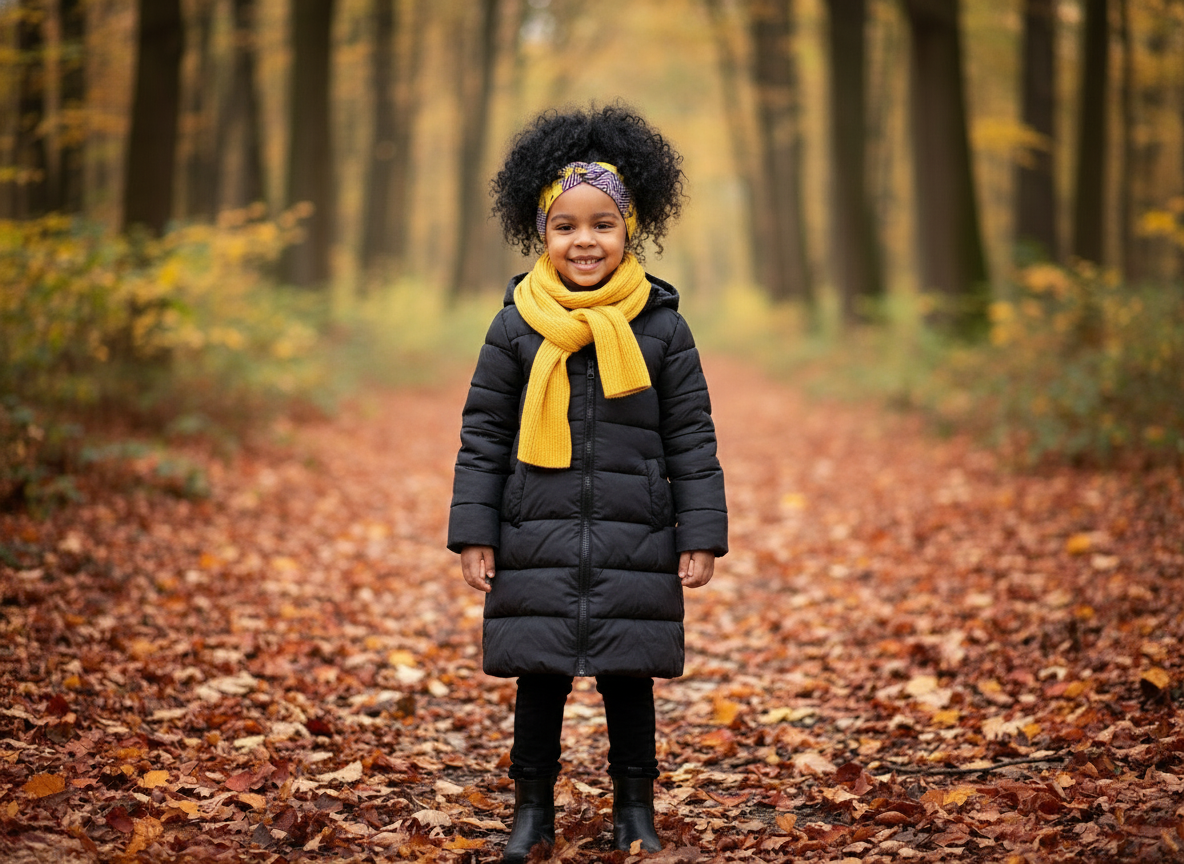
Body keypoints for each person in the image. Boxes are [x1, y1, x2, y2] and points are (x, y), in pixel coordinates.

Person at [447, 104, 728, 862]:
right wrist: (475, 530)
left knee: (628, 676)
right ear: (542, 233)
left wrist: (699, 535)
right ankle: (530, 810)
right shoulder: (516, 325)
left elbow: (692, 439)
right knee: (536, 678)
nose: (584, 240)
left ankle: (634, 809)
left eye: (602, 224)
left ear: (629, 230)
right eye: (565, 225)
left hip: (635, 530)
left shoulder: (663, 326)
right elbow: (484, 435)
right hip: (533, 528)